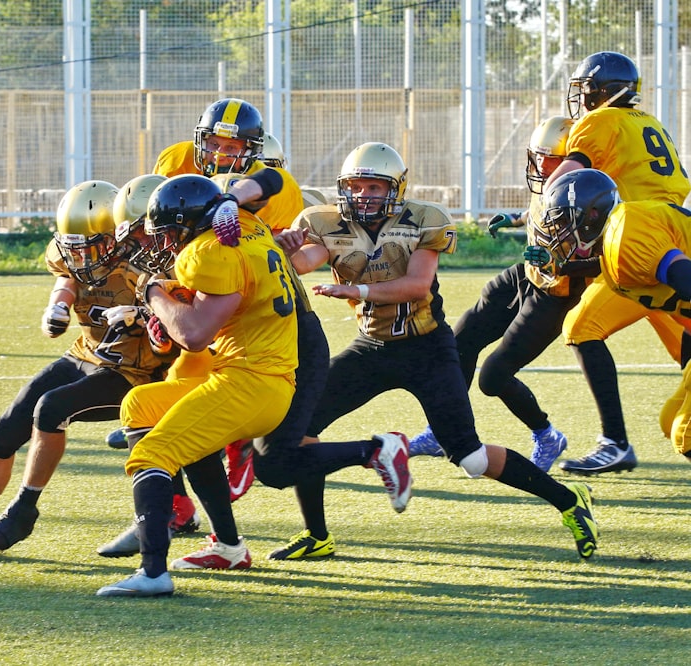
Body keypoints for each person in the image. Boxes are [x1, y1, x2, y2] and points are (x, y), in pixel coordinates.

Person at [275, 142, 599, 561]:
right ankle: (317, 536)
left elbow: (417, 285)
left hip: (427, 349)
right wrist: (284, 247)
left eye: (374, 186)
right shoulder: (327, 222)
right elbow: (305, 261)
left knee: (471, 457)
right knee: (300, 430)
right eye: (356, 186)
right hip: (371, 348)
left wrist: (356, 290)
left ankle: (569, 500)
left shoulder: (423, 220)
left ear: (396, 188)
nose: (364, 195)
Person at [0, 180, 175, 560]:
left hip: (134, 370)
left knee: (52, 408)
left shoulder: (145, 263)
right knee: (7, 426)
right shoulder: (73, 251)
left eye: (89, 246)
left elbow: (172, 328)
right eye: (73, 247)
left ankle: (24, 510)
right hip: (87, 352)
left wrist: (140, 317)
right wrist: (56, 306)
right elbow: (67, 275)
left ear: (117, 234)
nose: (80, 256)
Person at [100, 98, 307, 540]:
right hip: (204, 293)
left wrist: (232, 199)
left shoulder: (265, 185)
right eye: (213, 142)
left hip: (243, 304)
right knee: (161, 398)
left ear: (253, 149)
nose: (220, 153)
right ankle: (179, 514)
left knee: (258, 443)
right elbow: (164, 213)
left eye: (233, 146)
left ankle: (215, 469)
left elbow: (269, 188)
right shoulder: (178, 161)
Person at [407, 116, 583, 472]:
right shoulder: (558, 185)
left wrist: (560, 261)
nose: (537, 164)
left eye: (545, 157)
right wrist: (517, 218)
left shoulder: (588, 194)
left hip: (557, 292)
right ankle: (442, 431)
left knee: (493, 377)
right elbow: (544, 210)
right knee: (458, 341)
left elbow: (602, 257)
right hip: (527, 276)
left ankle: (547, 434)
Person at [544, 51, 690, 475]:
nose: (583, 100)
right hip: (669, 230)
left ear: (601, 91)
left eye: (586, 90)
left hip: (635, 238)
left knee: (581, 327)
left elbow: (569, 179)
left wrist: (537, 213)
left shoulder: (599, 122)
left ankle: (614, 442)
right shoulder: (648, 122)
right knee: (682, 335)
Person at [535, 168, 691, 463]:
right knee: (671, 422)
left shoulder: (628, 233)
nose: (561, 232)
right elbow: (609, 264)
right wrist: (561, 266)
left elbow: (686, 278)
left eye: (565, 221)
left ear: (592, 214)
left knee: (685, 434)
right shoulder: (617, 238)